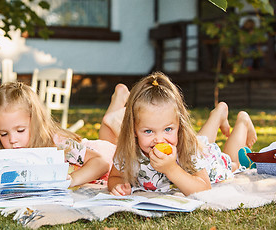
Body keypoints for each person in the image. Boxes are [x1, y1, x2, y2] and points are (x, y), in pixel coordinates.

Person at [106, 72, 257, 196]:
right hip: (199, 147)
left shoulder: (188, 147)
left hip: (209, 162)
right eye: (148, 131)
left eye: (168, 129)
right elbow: (114, 177)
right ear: (133, 130)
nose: (159, 139)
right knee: (202, 141)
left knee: (232, 163)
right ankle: (218, 113)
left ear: (179, 125)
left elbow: (204, 189)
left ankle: (242, 122)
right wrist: (118, 186)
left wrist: (171, 169)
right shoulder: (127, 150)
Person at [0, 82, 113, 188]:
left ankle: (113, 113)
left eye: (20, 130)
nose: (12, 140)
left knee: (113, 137)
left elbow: (102, 163)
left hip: (106, 152)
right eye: (3, 134)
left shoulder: (58, 143)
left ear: (36, 122)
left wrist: (71, 180)